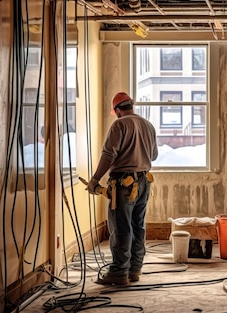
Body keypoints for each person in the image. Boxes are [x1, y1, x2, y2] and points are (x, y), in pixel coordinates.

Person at [87, 91, 159, 285]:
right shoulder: (148, 125)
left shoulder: (119, 124)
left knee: (121, 228)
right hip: (143, 182)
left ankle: (119, 273)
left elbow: (108, 155)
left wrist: (95, 180)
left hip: (123, 185)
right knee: (138, 226)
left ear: (118, 110)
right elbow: (153, 156)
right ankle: (134, 270)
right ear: (131, 106)